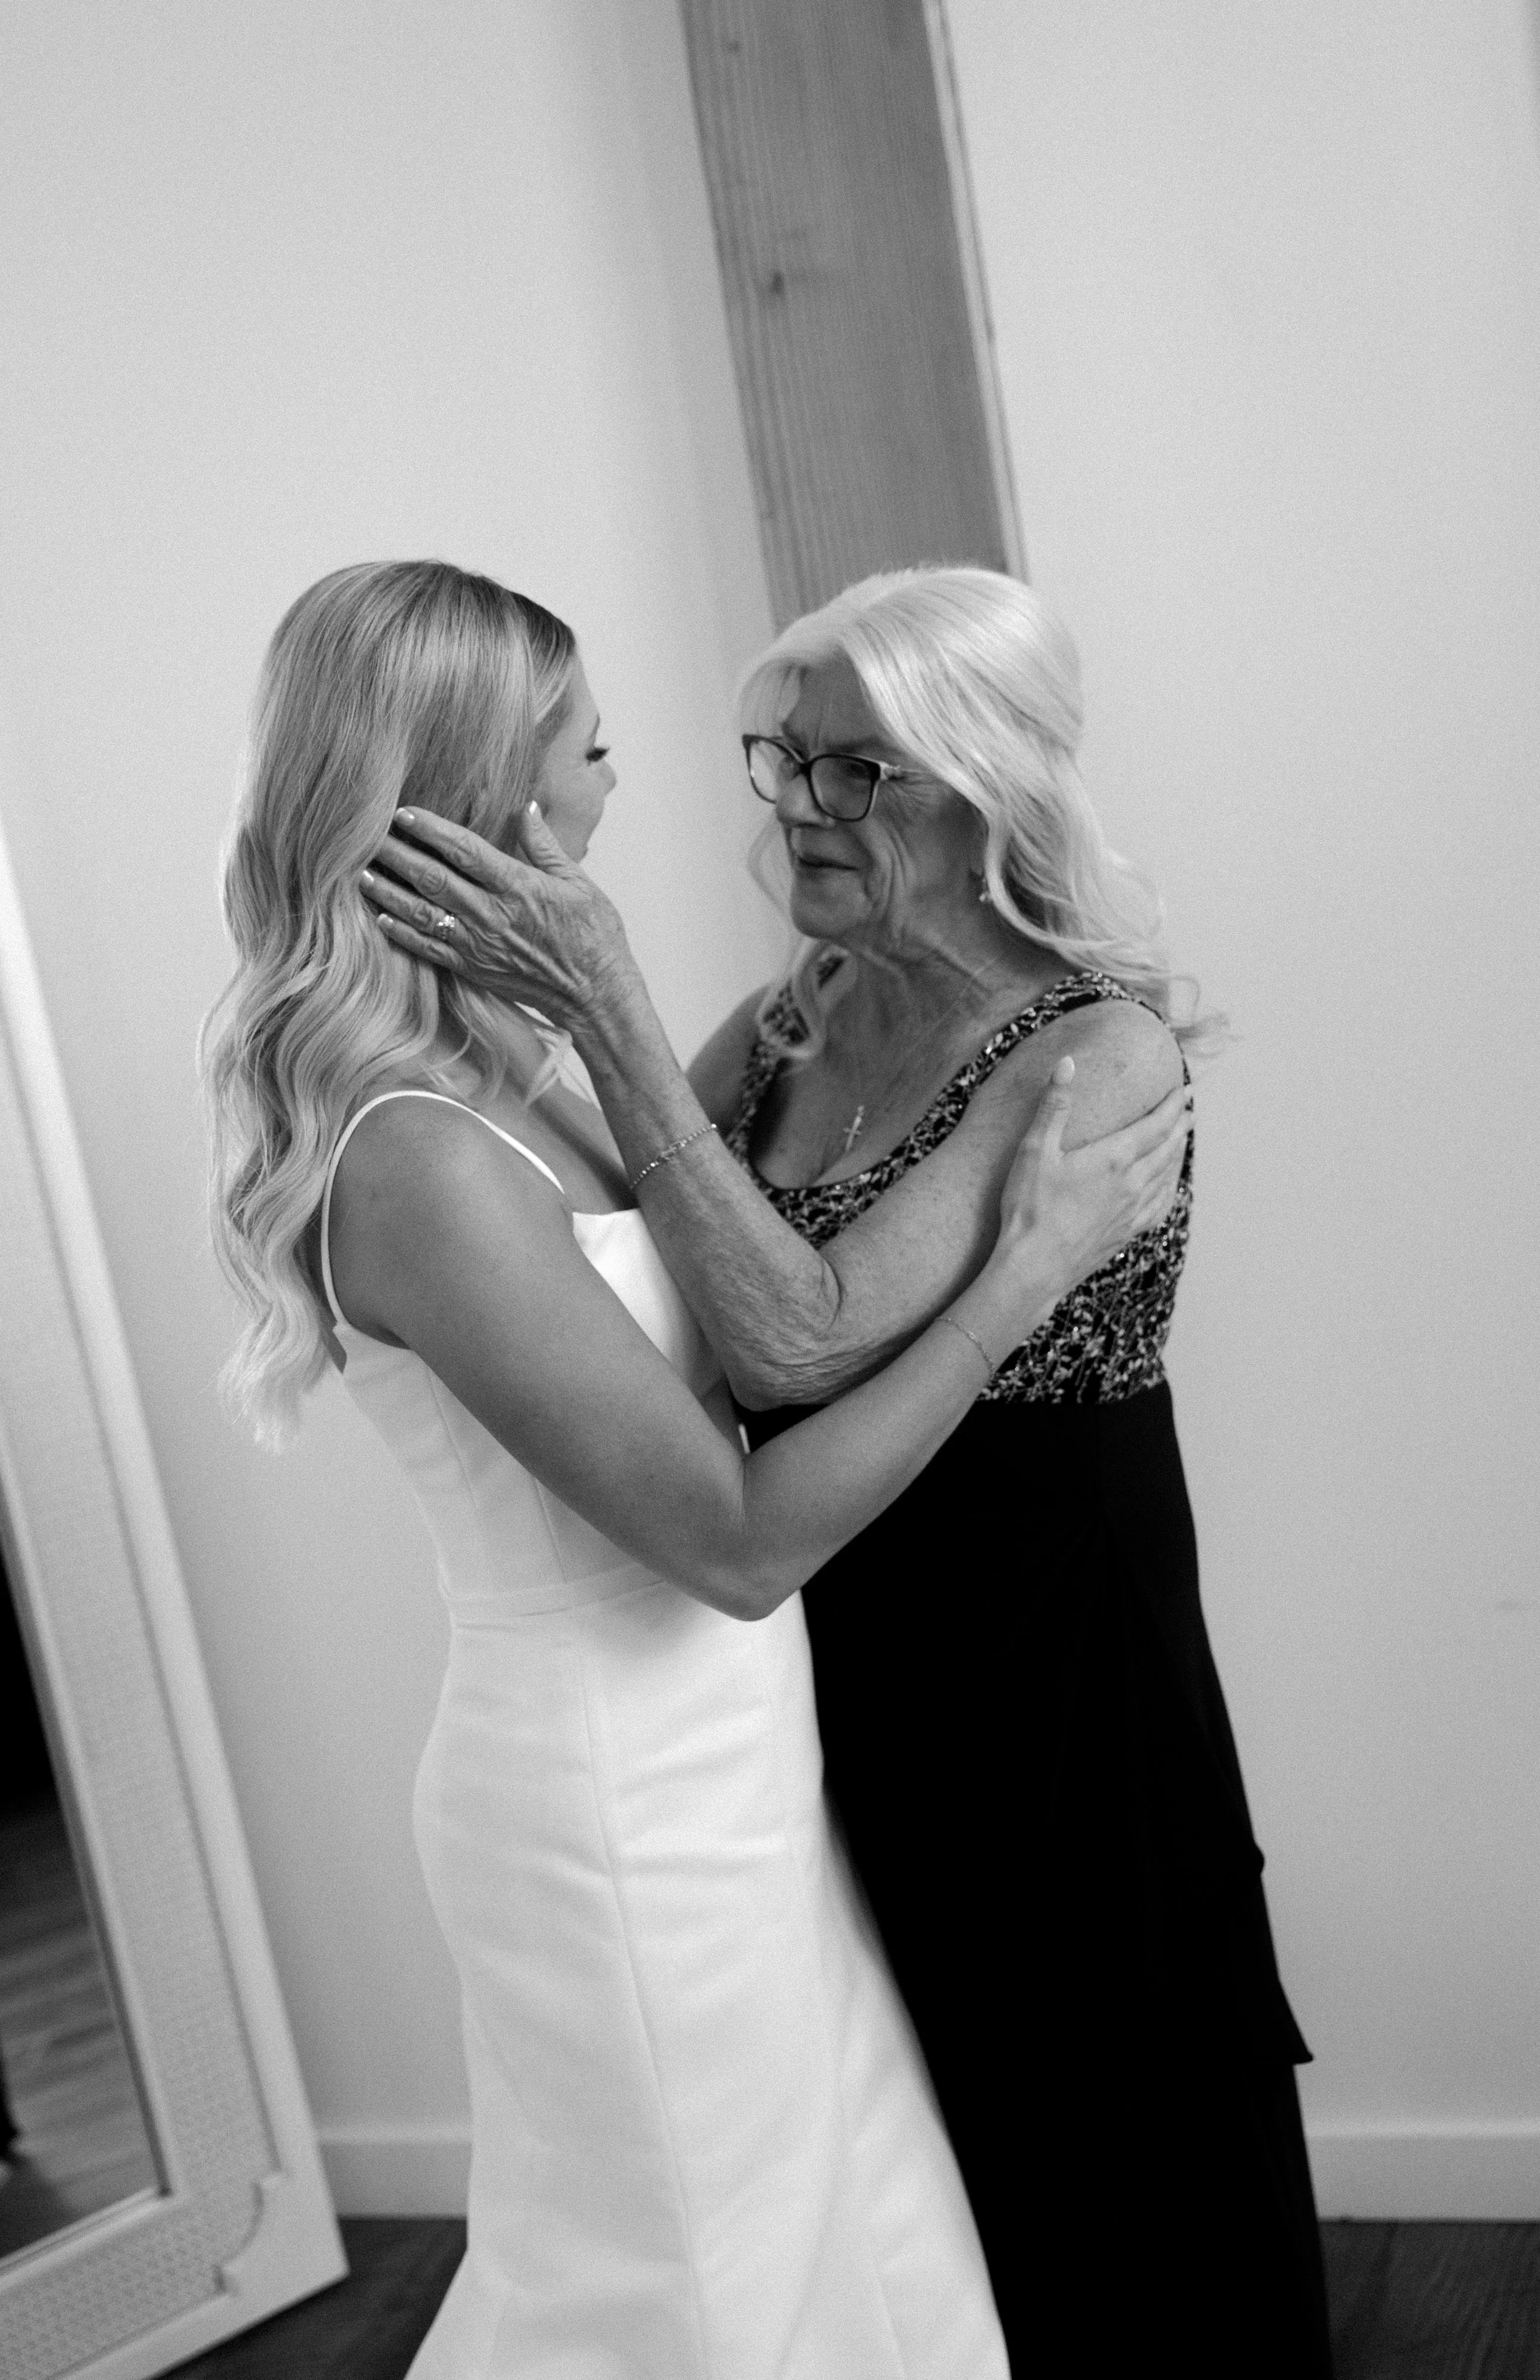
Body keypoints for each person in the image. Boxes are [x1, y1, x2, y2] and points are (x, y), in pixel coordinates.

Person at [200, 560, 1190, 2379]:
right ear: (487, 794)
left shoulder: (505, 1077)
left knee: (840, 2247)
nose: (615, 784)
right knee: (695, 2295)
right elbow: (733, 1536)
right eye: (590, 747)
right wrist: (1021, 1276)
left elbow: (723, 1304)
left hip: (729, 1770)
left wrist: (677, 1047)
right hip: (616, 1801)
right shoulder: (416, 1153)